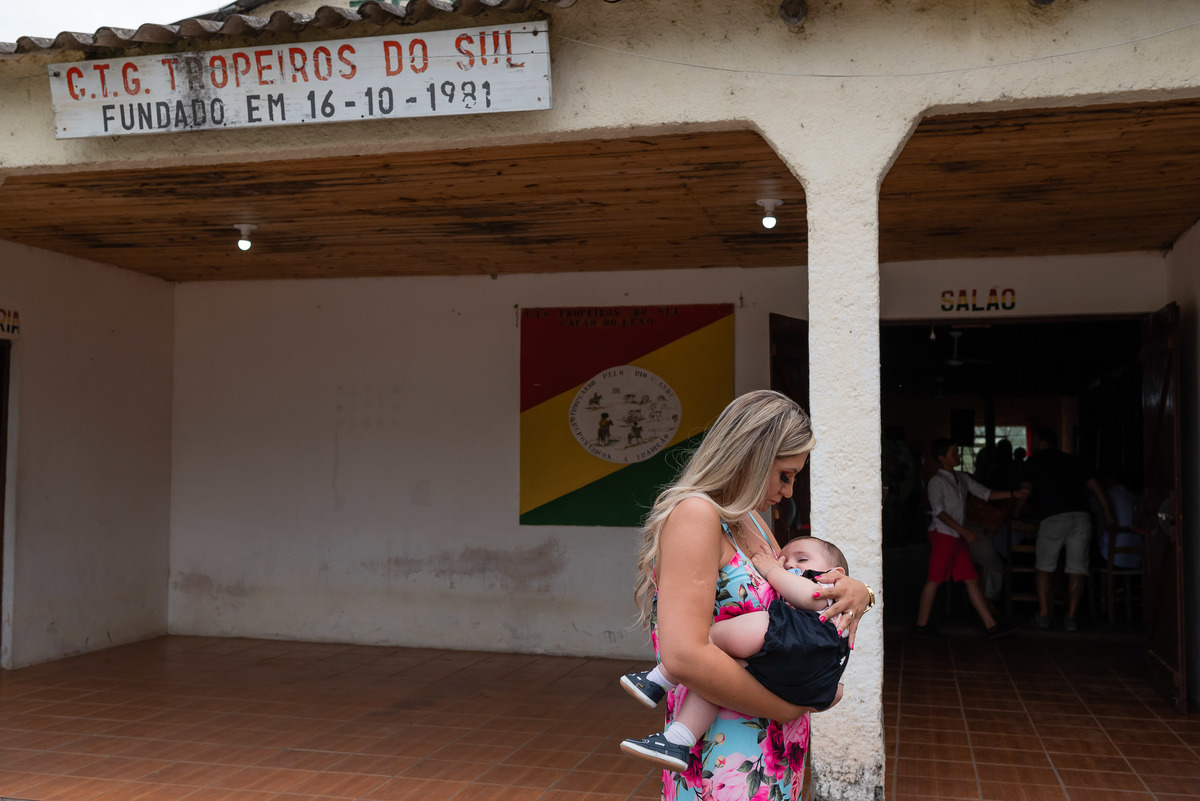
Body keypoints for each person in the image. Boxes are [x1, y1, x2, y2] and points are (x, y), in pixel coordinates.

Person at [627, 390, 873, 800]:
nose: (790, 491)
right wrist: (789, 708)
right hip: (726, 751)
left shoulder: (749, 522)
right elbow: (684, 655)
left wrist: (860, 592)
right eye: (785, 474)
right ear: (753, 456)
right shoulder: (696, 515)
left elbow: (787, 603)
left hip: (770, 747)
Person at [619, 536, 852, 772]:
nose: (790, 565)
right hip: (793, 675)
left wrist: (773, 569)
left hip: (799, 647)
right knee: (717, 673)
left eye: (801, 559)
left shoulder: (830, 589)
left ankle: (660, 679)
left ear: (836, 571)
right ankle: (677, 741)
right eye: (785, 561)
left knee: (715, 637)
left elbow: (811, 597)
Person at [914, 438, 1026, 640]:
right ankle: (921, 626)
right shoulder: (937, 482)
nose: (958, 456)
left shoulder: (961, 478)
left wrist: (1012, 493)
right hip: (944, 536)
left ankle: (991, 626)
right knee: (934, 580)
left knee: (971, 579)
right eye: (954, 453)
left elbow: (985, 493)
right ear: (941, 458)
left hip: (957, 536)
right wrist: (963, 531)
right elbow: (938, 511)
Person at [1016, 428, 1115, 630]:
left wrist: (1015, 516)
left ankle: (1044, 615)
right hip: (1081, 517)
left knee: (1044, 567)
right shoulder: (1074, 460)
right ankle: (1071, 618)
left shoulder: (1033, 461)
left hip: (1053, 517)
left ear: (1041, 441)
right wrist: (1109, 517)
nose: (1033, 443)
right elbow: (1097, 489)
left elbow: (1024, 493)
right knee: (1077, 569)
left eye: (1034, 439)